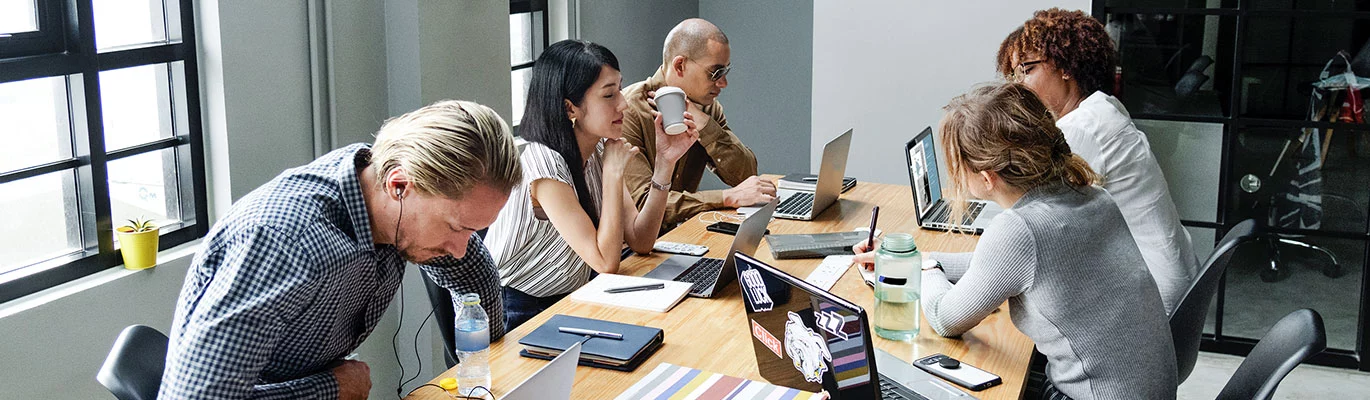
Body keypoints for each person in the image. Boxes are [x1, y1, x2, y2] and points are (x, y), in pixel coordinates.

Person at [159, 100, 523, 399]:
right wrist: (330, 389)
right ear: (399, 185)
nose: (459, 249)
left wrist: (488, 361)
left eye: (473, 230)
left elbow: (472, 271)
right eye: (456, 228)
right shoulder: (285, 245)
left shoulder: (379, 187)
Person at [856, 83, 1177, 400]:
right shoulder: (1092, 196)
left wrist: (924, 269)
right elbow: (994, 267)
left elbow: (945, 318)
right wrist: (913, 259)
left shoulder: (1020, 230)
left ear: (986, 177)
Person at [485, 40, 699, 331]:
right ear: (569, 108)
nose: (623, 103)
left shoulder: (599, 149)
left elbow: (641, 240)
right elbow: (605, 262)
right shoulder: (544, 164)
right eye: (609, 95)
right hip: (521, 309)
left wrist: (665, 162)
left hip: (575, 294)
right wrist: (612, 174)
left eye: (619, 89)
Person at [997, 8, 1199, 312]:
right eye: (1014, 75)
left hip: (1152, 297)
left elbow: (1032, 224)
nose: (1019, 85)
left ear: (1065, 66)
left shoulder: (1083, 128)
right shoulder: (1103, 107)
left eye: (1027, 69)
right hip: (1169, 278)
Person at [620, 18, 775, 226]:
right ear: (680, 66)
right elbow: (643, 205)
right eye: (716, 73)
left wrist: (705, 125)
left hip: (679, 233)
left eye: (725, 72)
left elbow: (746, 176)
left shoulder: (707, 109)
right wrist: (725, 198)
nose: (723, 83)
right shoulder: (627, 111)